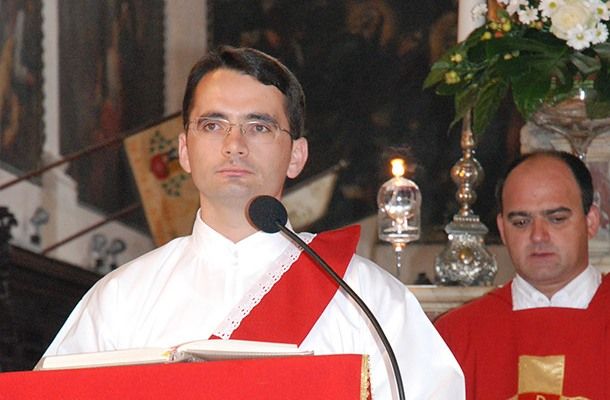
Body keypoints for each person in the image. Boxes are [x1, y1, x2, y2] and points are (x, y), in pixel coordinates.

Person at [41, 46, 464, 399]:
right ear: (184, 150)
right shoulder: (120, 300)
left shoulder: (367, 299)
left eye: (259, 126)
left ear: (296, 156)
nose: (234, 145)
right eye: (213, 125)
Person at [435, 150, 609, 399]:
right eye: (520, 222)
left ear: (590, 222)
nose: (538, 236)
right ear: (502, 230)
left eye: (556, 219)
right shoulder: (458, 335)